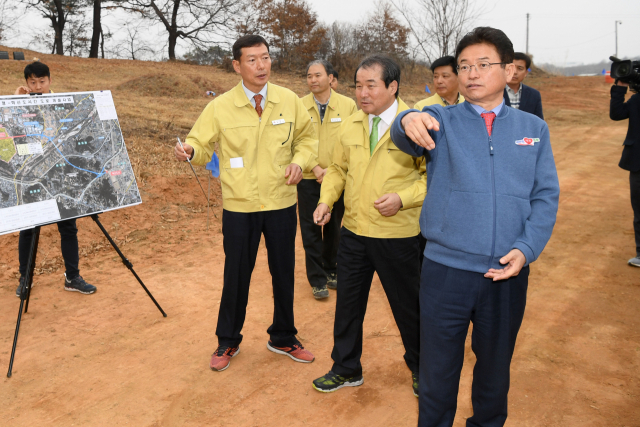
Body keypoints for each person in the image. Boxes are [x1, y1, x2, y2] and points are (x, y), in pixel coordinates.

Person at [390, 27, 559, 426]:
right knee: (437, 376)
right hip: (445, 273)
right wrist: (408, 118)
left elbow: (545, 197)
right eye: (464, 66)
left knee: (494, 377)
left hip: (506, 273)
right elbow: (407, 131)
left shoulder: (533, 130)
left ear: (509, 70)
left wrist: (526, 249)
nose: (471, 74)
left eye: (483, 65)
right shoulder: (441, 120)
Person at [174, 35, 317, 372]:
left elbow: (308, 139)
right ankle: (227, 340)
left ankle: (283, 336)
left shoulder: (289, 101)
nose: (261, 65)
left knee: (283, 272)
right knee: (236, 274)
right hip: (240, 207)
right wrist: (191, 151)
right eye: (252, 60)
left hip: (281, 201)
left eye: (265, 57)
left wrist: (301, 161)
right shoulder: (220, 106)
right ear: (237, 65)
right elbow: (200, 143)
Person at [312, 55, 425, 397]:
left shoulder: (416, 126)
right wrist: (326, 200)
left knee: (409, 308)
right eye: (358, 86)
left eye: (370, 85)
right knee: (347, 305)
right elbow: (338, 170)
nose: (362, 93)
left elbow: (430, 178)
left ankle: (423, 368)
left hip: (398, 235)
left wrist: (402, 199)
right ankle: (346, 367)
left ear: (393, 86)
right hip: (355, 233)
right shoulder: (351, 124)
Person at [13, 61, 97, 297]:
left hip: (60, 176)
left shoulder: (63, 104)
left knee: (68, 227)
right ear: (27, 83)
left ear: (50, 81)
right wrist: (17, 101)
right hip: (33, 178)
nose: (37, 86)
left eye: (41, 81)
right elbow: (17, 141)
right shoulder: (22, 105)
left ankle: (73, 277)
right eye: (32, 82)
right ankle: (25, 279)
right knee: (28, 229)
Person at [299, 60, 357, 299]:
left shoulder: (348, 105)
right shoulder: (299, 105)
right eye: (309, 76)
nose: (313, 80)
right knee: (311, 228)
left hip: (338, 179)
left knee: (334, 226)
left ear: (331, 78)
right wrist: (315, 167)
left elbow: (352, 140)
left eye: (318, 75)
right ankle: (317, 278)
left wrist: (333, 171)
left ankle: (332, 268)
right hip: (308, 177)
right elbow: (295, 140)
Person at [610, 78, 640, 267]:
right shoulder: (637, 100)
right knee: (639, 210)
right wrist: (620, 87)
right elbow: (617, 113)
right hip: (638, 164)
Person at [503, 52, 544, 120]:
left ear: (526, 73)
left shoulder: (534, 95)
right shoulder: (494, 92)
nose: (515, 72)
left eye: (520, 68)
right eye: (511, 67)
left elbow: (538, 122)